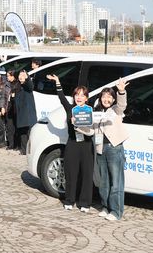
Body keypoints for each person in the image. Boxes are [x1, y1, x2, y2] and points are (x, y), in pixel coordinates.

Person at [47, 74, 95, 212]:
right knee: (71, 174)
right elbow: (61, 98)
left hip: (86, 145)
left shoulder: (90, 111)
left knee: (86, 175)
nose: (79, 97)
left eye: (82, 95)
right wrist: (57, 82)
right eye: (76, 95)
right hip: (73, 144)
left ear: (86, 98)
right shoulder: (70, 109)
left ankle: (85, 203)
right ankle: (69, 200)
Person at [94, 79, 129, 221]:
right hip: (101, 149)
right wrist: (77, 125)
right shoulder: (96, 112)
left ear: (113, 99)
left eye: (109, 97)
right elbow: (91, 131)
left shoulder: (116, 110)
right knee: (103, 182)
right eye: (104, 96)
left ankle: (116, 211)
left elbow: (122, 104)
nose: (106, 99)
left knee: (116, 182)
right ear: (100, 98)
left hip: (114, 148)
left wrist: (121, 91)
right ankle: (105, 207)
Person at [14, 69, 37, 155]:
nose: (21, 77)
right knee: (22, 133)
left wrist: (27, 78)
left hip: (28, 113)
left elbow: (30, 86)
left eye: (23, 75)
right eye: (20, 75)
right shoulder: (18, 86)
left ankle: (30, 150)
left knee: (29, 133)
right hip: (21, 112)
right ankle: (24, 150)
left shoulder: (27, 85)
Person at [5, 70, 18, 150]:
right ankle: (11, 144)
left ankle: (16, 144)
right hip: (9, 107)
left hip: (15, 108)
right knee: (9, 127)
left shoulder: (17, 84)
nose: (7, 77)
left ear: (13, 76)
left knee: (16, 127)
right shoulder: (7, 84)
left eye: (8, 76)